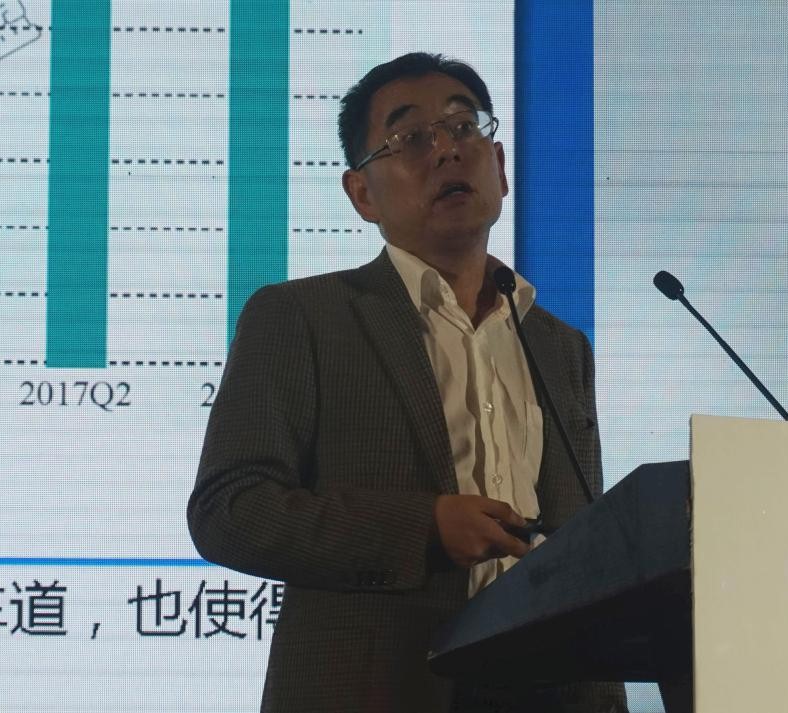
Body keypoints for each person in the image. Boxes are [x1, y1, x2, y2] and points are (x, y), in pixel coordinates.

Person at [188, 53, 626, 713]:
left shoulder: (561, 346)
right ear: (362, 194)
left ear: (499, 166)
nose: (446, 150)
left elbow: (581, 542)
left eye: (463, 127)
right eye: (411, 138)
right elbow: (230, 510)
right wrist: (423, 527)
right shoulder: (302, 317)